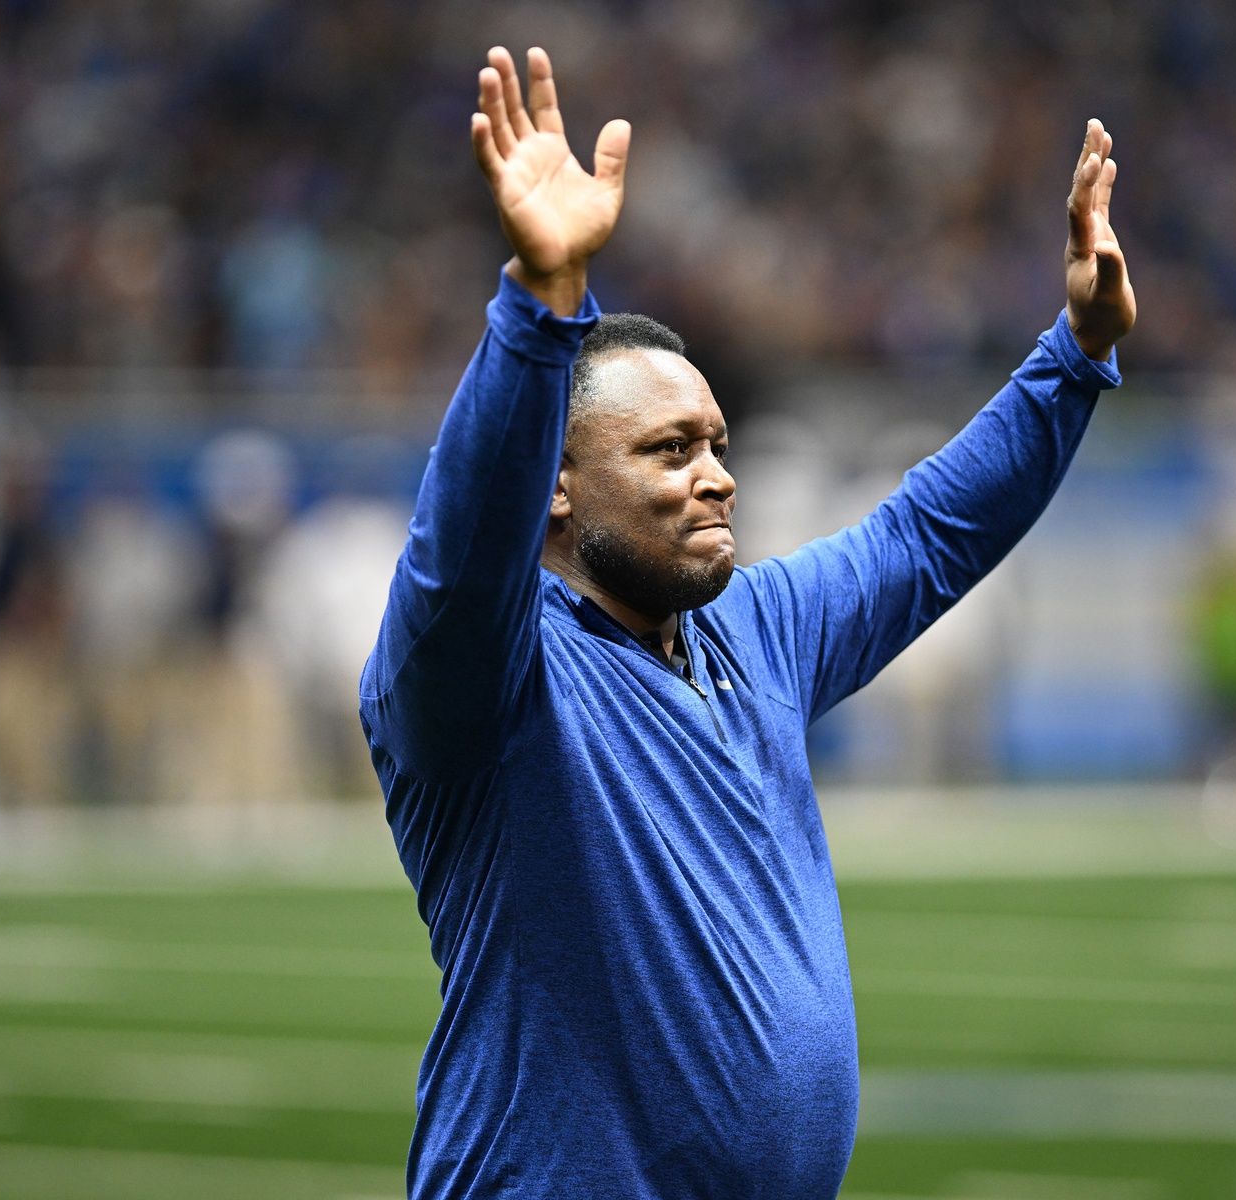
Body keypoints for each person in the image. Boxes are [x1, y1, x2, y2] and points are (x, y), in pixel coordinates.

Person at [359, 46, 1134, 1198]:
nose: (716, 476)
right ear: (555, 486)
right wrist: (539, 308)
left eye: (718, 443)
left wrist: (1074, 357)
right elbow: (458, 558)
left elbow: (924, 536)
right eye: (669, 451)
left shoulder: (751, 637)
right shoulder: (489, 683)